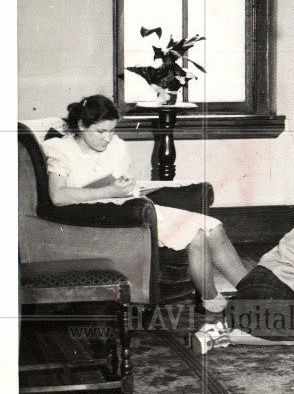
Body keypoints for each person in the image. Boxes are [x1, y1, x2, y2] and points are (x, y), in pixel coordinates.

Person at [44, 95, 246, 313]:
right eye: (101, 131)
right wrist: (110, 190)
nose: (107, 138)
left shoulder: (117, 147)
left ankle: (252, 292)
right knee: (196, 235)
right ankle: (214, 300)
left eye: (111, 130)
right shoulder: (61, 150)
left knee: (213, 226)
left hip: (130, 208)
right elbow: (58, 196)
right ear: (82, 125)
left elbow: (123, 184)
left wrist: (125, 187)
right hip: (97, 219)